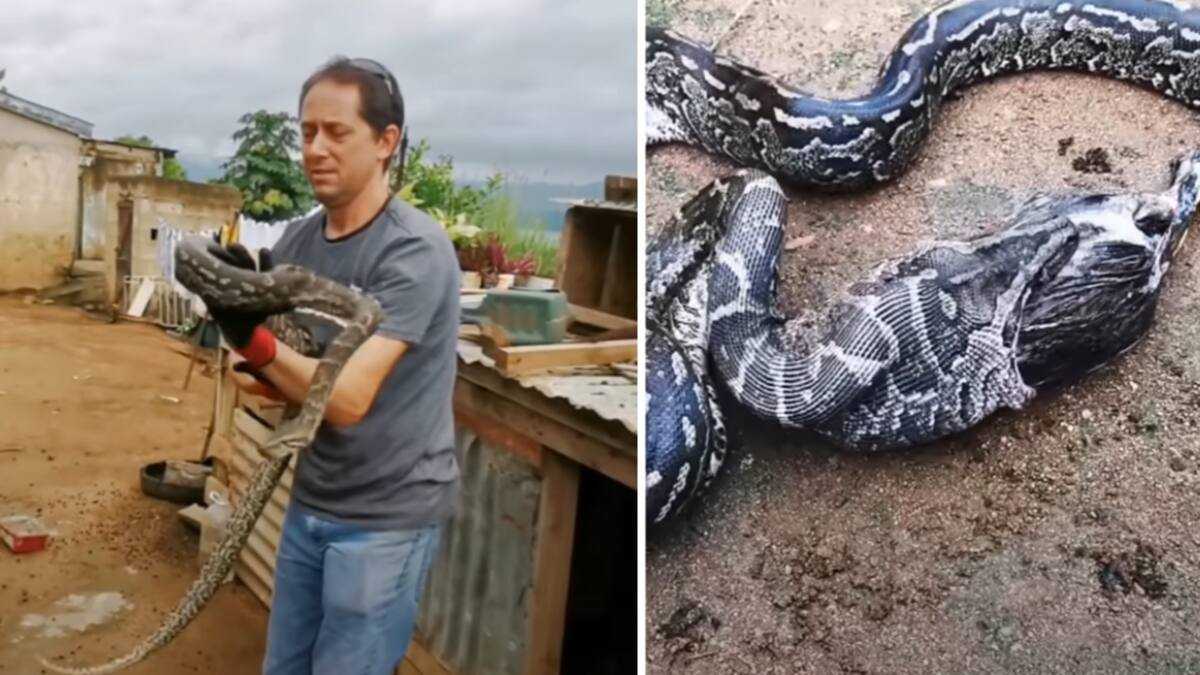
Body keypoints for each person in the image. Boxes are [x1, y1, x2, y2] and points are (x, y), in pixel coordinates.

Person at [208, 56, 460, 675]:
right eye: (307, 132)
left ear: (386, 141)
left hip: (385, 521)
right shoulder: (297, 244)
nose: (315, 149)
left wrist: (256, 344)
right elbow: (255, 382)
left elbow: (344, 402)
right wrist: (251, 346)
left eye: (337, 132)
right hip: (313, 500)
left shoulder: (413, 250)